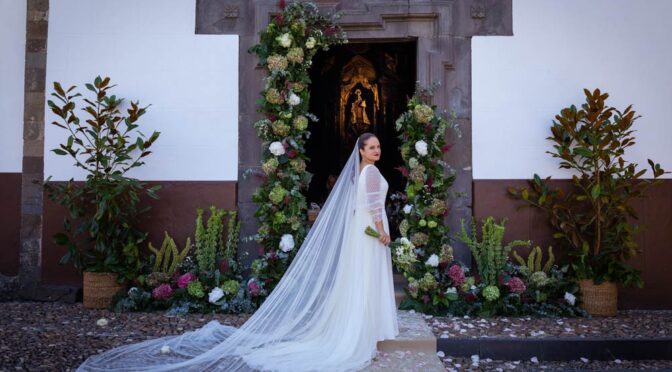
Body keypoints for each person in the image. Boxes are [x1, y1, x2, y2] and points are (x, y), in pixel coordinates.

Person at [77, 132, 399, 371]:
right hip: (371, 232)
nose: (377, 151)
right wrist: (383, 233)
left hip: (362, 232)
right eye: (372, 147)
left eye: (378, 147)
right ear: (361, 150)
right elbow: (372, 206)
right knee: (365, 276)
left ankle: (362, 325)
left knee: (360, 277)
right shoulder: (369, 172)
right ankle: (364, 329)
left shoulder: (361, 172)